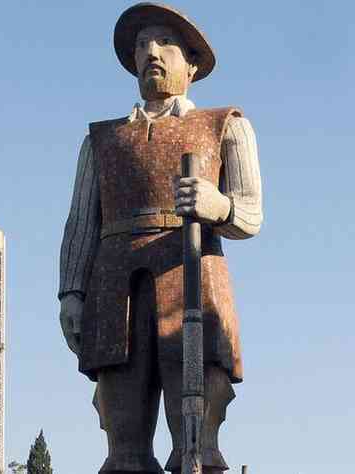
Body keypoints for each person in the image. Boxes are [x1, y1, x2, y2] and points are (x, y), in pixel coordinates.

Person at [58, 3, 263, 473]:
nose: (152, 51)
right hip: (115, 290)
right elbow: (80, 224)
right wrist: (72, 292)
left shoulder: (224, 125)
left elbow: (250, 214)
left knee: (197, 438)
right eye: (142, 44)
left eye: (165, 42)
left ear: (191, 63)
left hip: (191, 277)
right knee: (123, 443)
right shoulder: (102, 140)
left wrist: (218, 205)